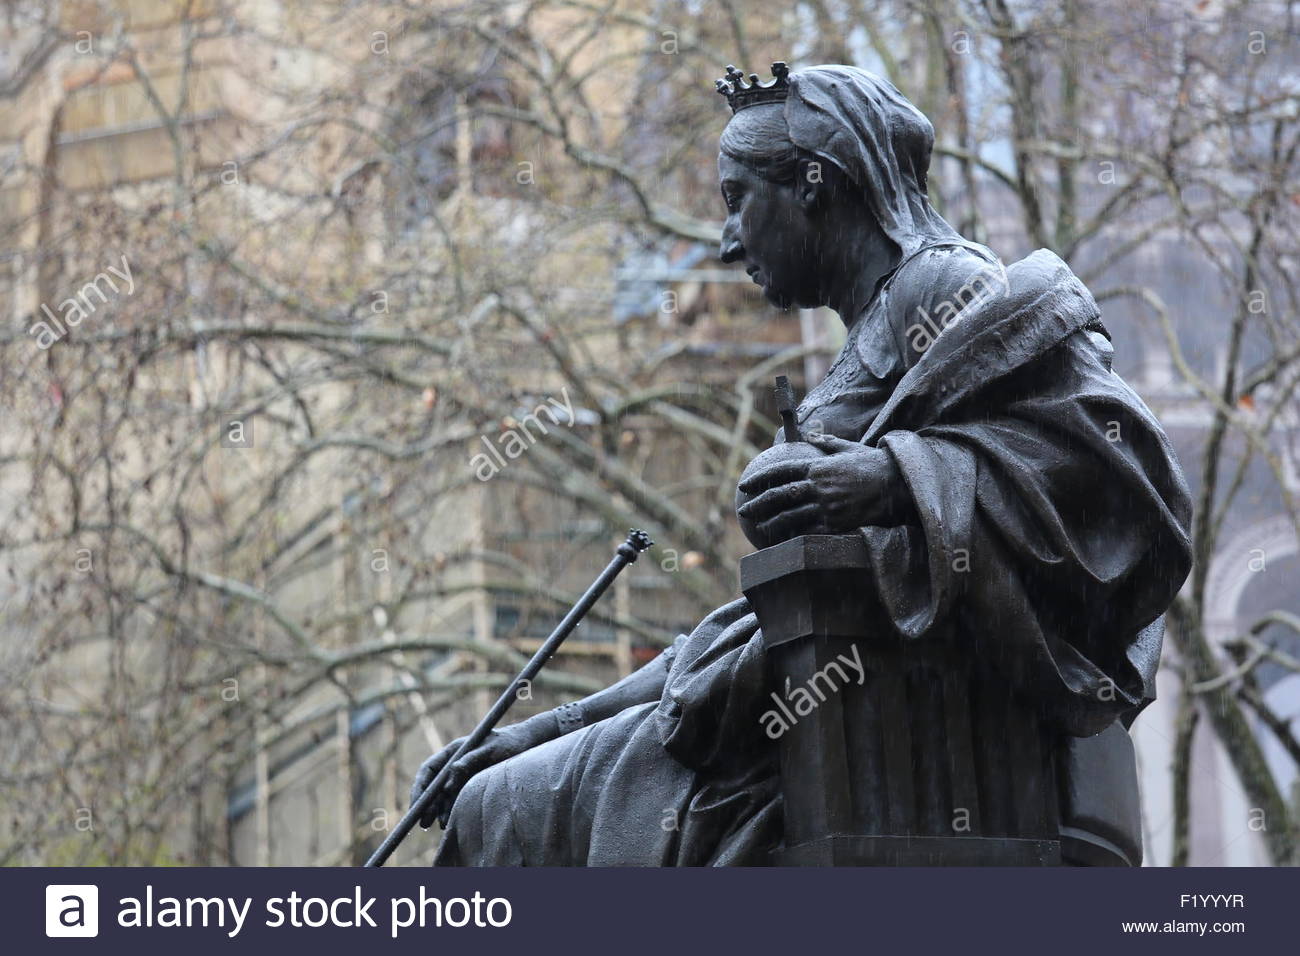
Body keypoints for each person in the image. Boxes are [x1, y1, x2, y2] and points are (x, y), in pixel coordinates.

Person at [409, 64, 1193, 866]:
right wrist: (529, 731)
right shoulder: (871, 332)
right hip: (811, 715)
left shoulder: (945, 287)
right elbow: (736, 633)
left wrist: (891, 479)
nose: (725, 242)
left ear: (814, 185)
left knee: (501, 818)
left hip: (903, 756)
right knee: (494, 798)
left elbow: (1124, 482)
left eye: (737, 199)